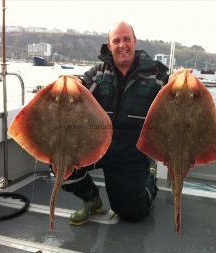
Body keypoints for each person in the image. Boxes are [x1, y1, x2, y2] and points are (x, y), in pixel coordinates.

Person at [61, 21, 169, 225]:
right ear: (109, 46)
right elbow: (80, 91)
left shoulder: (157, 75)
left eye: (126, 39)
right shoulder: (97, 73)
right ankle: (91, 199)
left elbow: (174, 99)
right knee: (60, 163)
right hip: (96, 145)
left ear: (135, 42)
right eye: (116, 41)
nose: (122, 45)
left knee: (130, 213)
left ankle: (149, 182)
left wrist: (180, 80)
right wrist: (70, 83)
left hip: (131, 152)